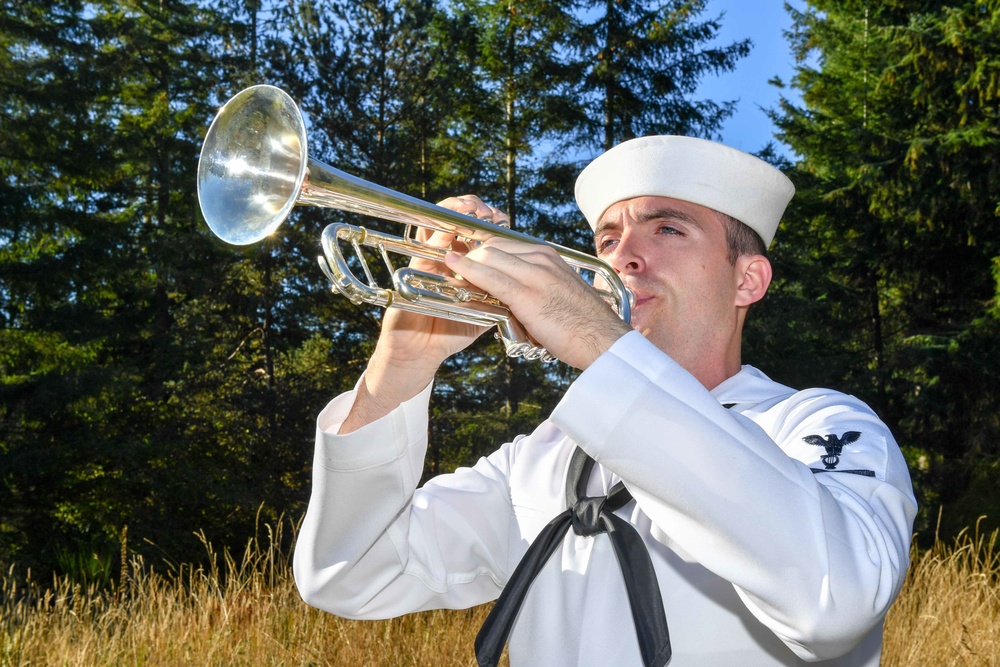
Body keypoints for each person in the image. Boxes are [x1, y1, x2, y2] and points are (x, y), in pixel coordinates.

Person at [292, 135, 917, 666]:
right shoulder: (540, 459)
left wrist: (601, 344)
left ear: (747, 279)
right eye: (607, 239)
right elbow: (350, 573)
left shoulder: (819, 423)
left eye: (667, 228)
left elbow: (839, 597)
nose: (624, 257)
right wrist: (402, 364)